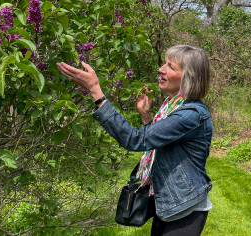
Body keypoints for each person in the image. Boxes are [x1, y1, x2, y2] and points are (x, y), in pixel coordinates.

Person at [57, 45, 212, 236]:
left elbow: (135, 140)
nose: (161, 69)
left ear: (189, 78)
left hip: (185, 207)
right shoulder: (172, 106)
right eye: (164, 63)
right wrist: (146, 116)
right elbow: (155, 143)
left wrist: (95, 91)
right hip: (169, 205)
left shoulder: (191, 114)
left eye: (171, 67)